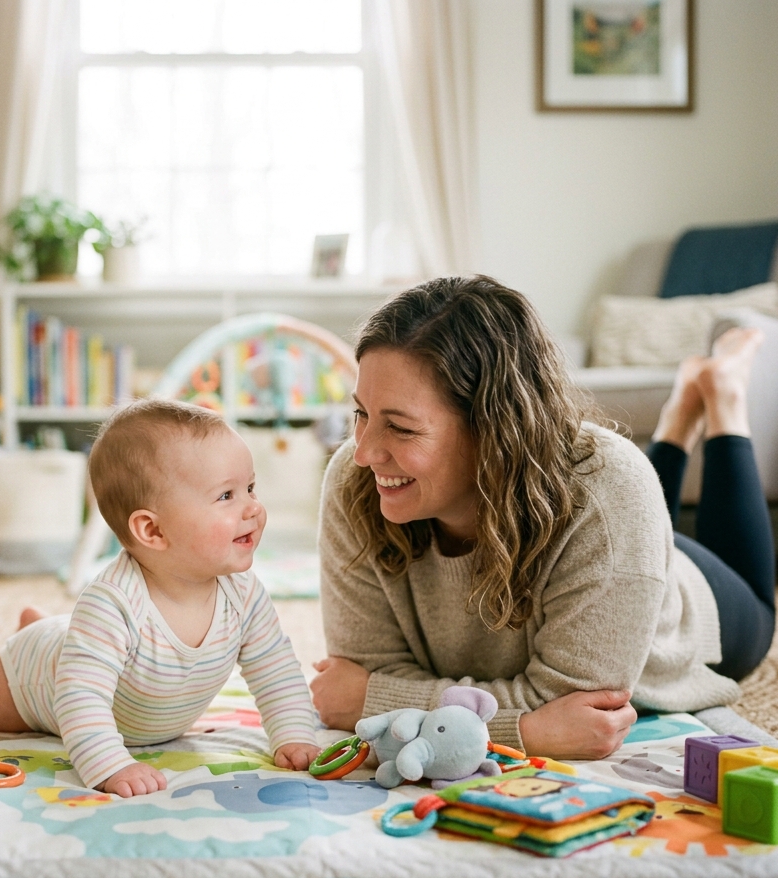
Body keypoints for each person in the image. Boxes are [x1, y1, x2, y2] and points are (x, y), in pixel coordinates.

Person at [311, 276, 774, 760]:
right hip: (611, 541)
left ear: (494, 428)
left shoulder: (610, 493)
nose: (362, 453)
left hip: (695, 611)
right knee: (629, 506)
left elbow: (574, 706)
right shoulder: (353, 480)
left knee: (719, 568)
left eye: (401, 428)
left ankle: (724, 395)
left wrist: (378, 700)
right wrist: (530, 726)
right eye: (361, 413)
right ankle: (678, 418)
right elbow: (362, 673)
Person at [0, 398, 320, 797]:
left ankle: (43, 623)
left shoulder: (244, 593)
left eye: (250, 488)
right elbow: (80, 696)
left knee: (78, 641)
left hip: (83, 647)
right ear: (152, 531)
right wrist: (110, 764)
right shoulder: (112, 604)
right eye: (226, 495)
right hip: (36, 678)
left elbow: (275, 668)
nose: (253, 508)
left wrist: (293, 734)